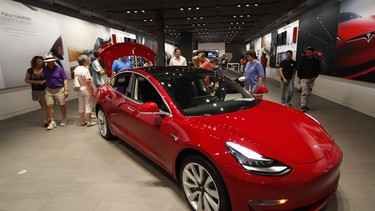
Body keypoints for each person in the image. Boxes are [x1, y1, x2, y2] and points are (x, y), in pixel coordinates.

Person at [43, 54, 68, 130]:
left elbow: (65, 79)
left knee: (62, 104)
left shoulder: (59, 69)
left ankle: (64, 118)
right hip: (49, 90)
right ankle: (52, 121)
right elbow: (44, 78)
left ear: (53, 61)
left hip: (59, 89)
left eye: (51, 61)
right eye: (48, 61)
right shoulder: (45, 69)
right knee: (49, 105)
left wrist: (66, 90)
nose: (49, 63)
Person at [24, 56, 49, 127]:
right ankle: (48, 117)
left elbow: (50, 77)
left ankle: (46, 120)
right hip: (36, 90)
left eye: (41, 61)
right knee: (42, 105)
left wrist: (44, 81)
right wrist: (36, 82)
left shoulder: (45, 69)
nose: (40, 63)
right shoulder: (30, 70)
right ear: (35, 62)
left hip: (45, 89)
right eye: (38, 61)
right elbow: (26, 80)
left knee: (45, 105)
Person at [74, 55, 96, 126]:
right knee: (88, 105)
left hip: (80, 89)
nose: (88, 60)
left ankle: (82, 121)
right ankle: (89, 122)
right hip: (87, 89)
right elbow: (88, 81)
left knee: (81, 105)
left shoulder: (76, 69)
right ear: (84, 61)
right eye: (87, 59)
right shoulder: (85, 70)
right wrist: (93, 90)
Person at [297, 47, 321, 112]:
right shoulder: (303, 60)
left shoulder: (316, 61)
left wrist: (314, 78)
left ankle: (305, 104)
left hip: (311, 79)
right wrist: (299, 78)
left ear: (313, 53)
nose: (308, 53)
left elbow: (318, 70)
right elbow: (299, 69)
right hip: (303, 78)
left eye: (309, 52)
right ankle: (303, 106)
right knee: (304, 92)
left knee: (308, 93)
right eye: (307, 52)